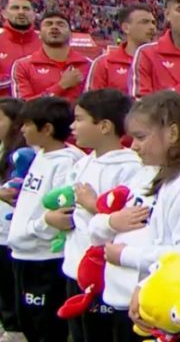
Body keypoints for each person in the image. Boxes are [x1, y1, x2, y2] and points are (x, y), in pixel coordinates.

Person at [89, 91, 180, 339]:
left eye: (140, 137)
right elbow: (106, 220)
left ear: (173, 134)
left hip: (155, 310)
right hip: (124, 300)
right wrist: (108, 223)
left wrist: (126, 255)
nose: (133, 145)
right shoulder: (146, 172)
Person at [62, 89, 142, 342]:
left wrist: (93, 204)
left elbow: (130, 220)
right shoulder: (83, 162)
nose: (73, 126)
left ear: (105, 126)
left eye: (80, 119)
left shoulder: (130, 166)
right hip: (74, 268)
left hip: (104, 275)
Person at [7, 97, 85, 342]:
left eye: (27, 125)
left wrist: (36, 226)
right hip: (22, 254)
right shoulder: (39, 155)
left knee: (47, 330)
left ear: (47, 129)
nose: (21, 130)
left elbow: (61, 214)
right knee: (28, 325)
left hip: (44, 260)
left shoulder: (67, 162)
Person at [10, 11, 92, 102]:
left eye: (60, 24)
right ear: (39, 34)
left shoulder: (89, 65)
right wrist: (61, 86)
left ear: (71, 34)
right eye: (48, 24)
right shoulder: (23, 66)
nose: (54, 27)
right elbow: (22, 107)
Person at [0, 98, 26, 342]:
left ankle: (15, 329)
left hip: (10, 232)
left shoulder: (21, 155)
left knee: (10, 285)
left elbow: (12, 191)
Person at [86, 5, 157, 94]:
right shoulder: (104, 64)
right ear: (126, 28)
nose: (152, 27)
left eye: (153, 22)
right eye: (144, 22)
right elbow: (91, 103)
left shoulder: (162, 62)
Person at [0, 0, 41, 98]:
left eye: (26, 8)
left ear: (34, 14)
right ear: (4, 13)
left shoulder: (46, 43)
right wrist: (15, 79)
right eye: (15, 8)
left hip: (39, 110)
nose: (21, 12)